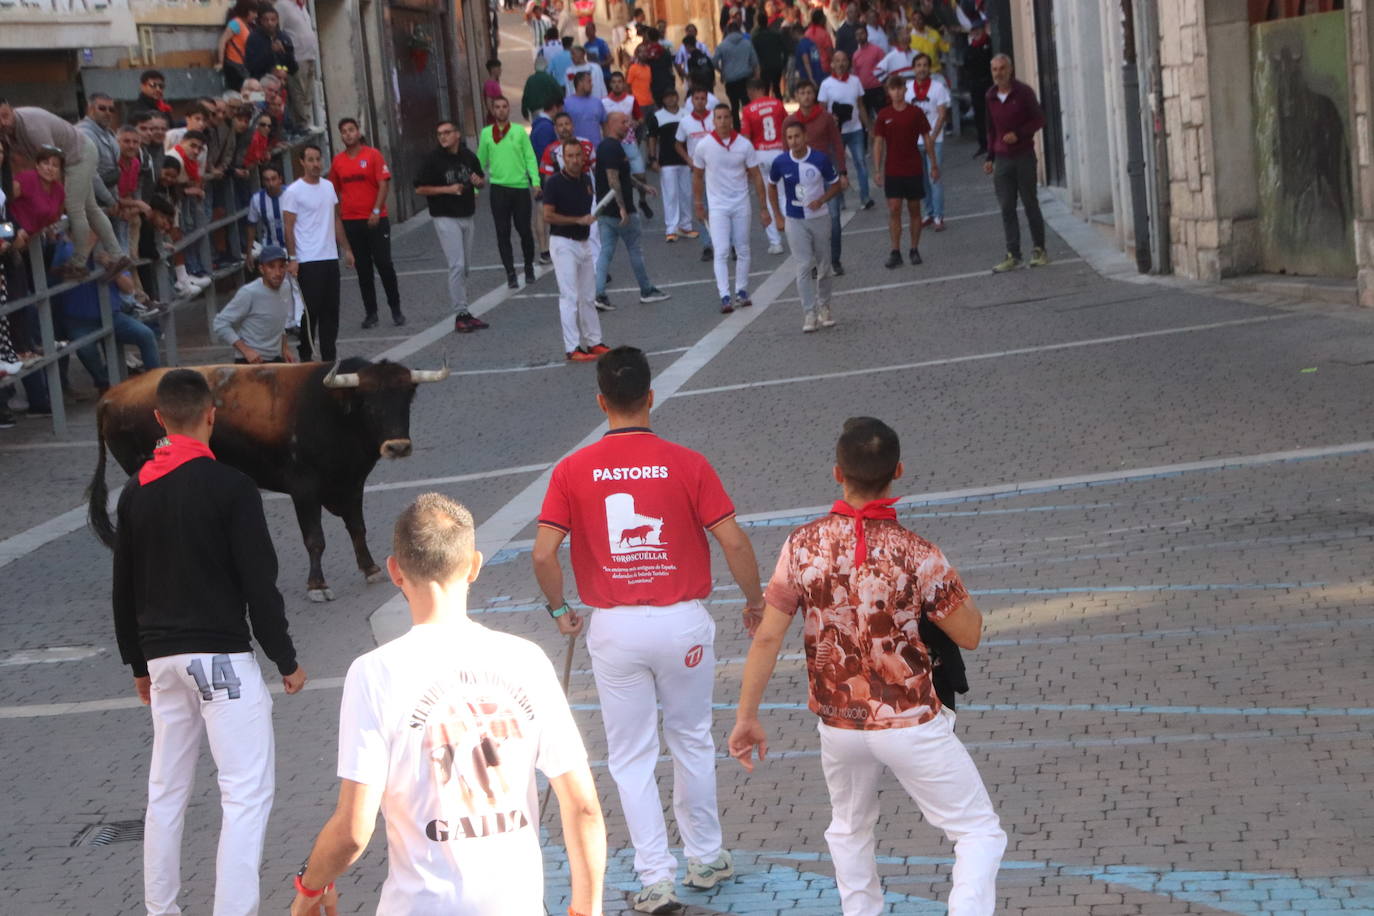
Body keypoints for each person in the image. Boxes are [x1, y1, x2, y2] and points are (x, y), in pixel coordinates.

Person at [728, 416, 1006, 916]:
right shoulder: (918, 553)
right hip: (910, 719)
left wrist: (746, 716)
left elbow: (768, 635)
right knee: (977, 830)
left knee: (849, 827)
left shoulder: (801, 545)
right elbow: (971, 632)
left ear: (839, 473)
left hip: (839, 722)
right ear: (898, 471)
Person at [287, 494, 605, 916]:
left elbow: (352, 831)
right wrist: (586, 908)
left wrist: (310, 887)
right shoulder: (526, 659)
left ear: (396, 571)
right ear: (474, 565)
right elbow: (583, 806)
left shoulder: (374, 672)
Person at [532, 345, 765, 913]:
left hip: (614, 628)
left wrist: (560, 611)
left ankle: (654, 876)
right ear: (650, 398)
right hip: (682, 622)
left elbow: (543, 554)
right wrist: (756, 601)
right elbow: (732, 539)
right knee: (691, 738)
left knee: (630, 755)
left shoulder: (571, 470)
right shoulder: (687, 462)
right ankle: (706, 857)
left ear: (601, 401)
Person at [111, 368, 307, 916]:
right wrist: (285, 658)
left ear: (158, 419)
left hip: (162, 659)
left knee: (165, 793)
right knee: (244, 794)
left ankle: (161, 909)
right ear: (212, 415)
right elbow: (258, 582)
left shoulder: (135, 491)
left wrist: (138, 664)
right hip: (221, 659)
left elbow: (122, 586)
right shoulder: (232, 487)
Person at [0, 100, 127, 279]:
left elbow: (51, 164)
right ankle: (117, 254)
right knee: (90, 208)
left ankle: (79, 263)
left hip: (77, 155)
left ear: (12, 110)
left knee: (75, 208)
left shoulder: (32, 129)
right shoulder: (9, 138)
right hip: (73, 155)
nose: (3, 123)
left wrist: (52, 198)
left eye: (5, 116)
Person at [414, 120, 490, 335]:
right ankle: (460, 314)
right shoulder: (433, 160)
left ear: (457, 134)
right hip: (445, 217)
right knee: (456, 265)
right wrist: (447, 190)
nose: (443, 137)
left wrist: (478, 181)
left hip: (467, 215)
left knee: (465, 267)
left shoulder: (468, 156)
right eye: (439, 134)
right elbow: (420, 188)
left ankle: (465, 311)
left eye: (447, 133)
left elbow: (481, 180)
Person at [693, 104, 770, 314]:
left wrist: (763, 208)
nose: (723, 121)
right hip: (717, 205)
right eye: (719, 117)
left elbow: (756, 175)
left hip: (740, 203)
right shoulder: (704, 145)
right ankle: (725, 295)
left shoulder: (744, 145)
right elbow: (697, 175)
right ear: (713, 120)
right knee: (721, 250)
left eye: (726, 117)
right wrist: (699, 204)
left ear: (732, 120)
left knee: (743, 248)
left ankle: (742, 291)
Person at [767, 121, 843, 333]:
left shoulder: (819, 159)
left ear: (805, 136)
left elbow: (836, 184)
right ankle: (809, 312)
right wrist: (778, 216)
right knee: (802, 265)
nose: (794, 141)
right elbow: (771, 186)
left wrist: (822, 199)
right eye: (789, 137)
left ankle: (825, 306)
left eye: (797, 136)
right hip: (794, 220)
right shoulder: (780, 162)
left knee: (824, 265)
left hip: (819, 218)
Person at [330, 117, 405, 328]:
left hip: (376, 219)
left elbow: (383, 185)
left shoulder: (373, 155)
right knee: (363, 269)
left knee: (384, 263)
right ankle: (371, 312)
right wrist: (338, 216)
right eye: (343, 131)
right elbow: (333, 191)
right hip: (352, 221)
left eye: (351, 130)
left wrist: (375, 210)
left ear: (358, 132)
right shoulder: (338, 162)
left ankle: (395, 308)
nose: (348, 134)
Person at [283, 143, 353, 361]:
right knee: (310, 309)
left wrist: (346, 249)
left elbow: (335, 218)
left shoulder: (328, 187)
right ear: (302, 162)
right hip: (308, 259)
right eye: (310, 160)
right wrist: (293, 258)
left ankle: (329, 356)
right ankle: (306, 352)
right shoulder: (293, 192)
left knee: (330, 310)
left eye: (318, 159)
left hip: (329, 256)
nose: (315, 164)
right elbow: (288, 226)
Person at [594, 112, 670, 311]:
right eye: (623, 122)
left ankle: (599, 294)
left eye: (628, 121)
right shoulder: (612, 148)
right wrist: (622, 208)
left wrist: (642, 187)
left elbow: (623, 176)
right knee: (635, 250)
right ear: (611, 124)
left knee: (606, 253)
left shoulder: (608, 147)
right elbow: (613, 180)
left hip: (606, 212)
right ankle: (646, 290)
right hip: (620, 211)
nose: (628, 125)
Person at [542, 140, 609, 362]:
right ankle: (572, 347)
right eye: (569, 156)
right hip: (563, 243)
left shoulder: (586, 180)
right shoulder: (554, 183)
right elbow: (548, 215)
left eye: (577, 155)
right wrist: (578, 220)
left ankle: (594, 341)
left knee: (588, 295)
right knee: (569, 296)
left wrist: (591, 218)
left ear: (583, 157)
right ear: (563, 157)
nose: (574, 160)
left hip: (583, 242)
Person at [984, 54, 1049, 272]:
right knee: (1006, 207)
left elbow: (1039, 119)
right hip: (1002, 159)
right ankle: (1013, 253)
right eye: (995, 69)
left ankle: (1039, 249)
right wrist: (989, 157)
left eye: (1002, 68)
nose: (999, 73)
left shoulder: (1023, 92)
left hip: (1023, 156)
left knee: (1030, 203)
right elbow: (991, 129)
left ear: (1010, 69)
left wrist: (1020, 134)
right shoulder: (990, 96)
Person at [873, 74, 939, 268]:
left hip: (913, 168)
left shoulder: (916, 112)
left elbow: (927, 138)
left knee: (914, 210)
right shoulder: (884, 115)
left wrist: (933, 164)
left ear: (905, 89)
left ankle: (914, 248)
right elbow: (878, 143)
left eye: (900, 88)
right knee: (894, 209)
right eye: (893, 89)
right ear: (889, 92)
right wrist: (877, 169)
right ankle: (895, 251)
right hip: (893, 169)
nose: (897, 92)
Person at [477, 96, 541, 289]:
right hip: (498, 189)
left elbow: (530, 157)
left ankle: (528, 266)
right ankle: (510, 273)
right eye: (497, 107)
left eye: (505, 106)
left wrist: (535, 182)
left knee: (524, 231)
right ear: (493, 111)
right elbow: (479, 162)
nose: (501, 110)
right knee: (502, 232)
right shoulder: (487, 133)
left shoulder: (519, 132)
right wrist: (475, 186)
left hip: (520, 187)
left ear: (508, 110)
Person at [784, 82, 848, 275]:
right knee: (806, 220)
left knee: (834, 218)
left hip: (826, 173)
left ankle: (834, 260)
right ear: (796, 96)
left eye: (809, 92)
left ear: (815, 95)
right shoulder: (790, 122)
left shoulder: (826, 118)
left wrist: (843, 172)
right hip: (801, 178)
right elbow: (785, 151)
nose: (806, 96)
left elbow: (837, 143)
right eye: (802, 92)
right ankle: (815, 262)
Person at [213, 244, 296, 363]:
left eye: (281, 267)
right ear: (261, 269)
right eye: (271, 267)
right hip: (251, 360)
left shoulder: (286, 287)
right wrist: (246, 351)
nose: (277, 273)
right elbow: (220, 323)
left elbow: (280, 322)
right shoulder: (249, 293)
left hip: (275, 357)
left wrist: (285, 348)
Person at [739, 78, 787, 255]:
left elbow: (745, 137)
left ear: (753, 90)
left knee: (767, 197)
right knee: (783, 195)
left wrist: (745, 162)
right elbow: (786, 126)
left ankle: (775, 242)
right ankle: (792, 232)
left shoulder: (748, 110)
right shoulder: (777, 104)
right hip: (779, 151)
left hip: (760, 154)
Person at [820, 50, 873, 210]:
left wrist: (868, 127)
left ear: (848, 63)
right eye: (837, 60)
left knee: (861, 163)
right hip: (836, 133)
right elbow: (822, 111)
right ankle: (840, 200)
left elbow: (861, 105)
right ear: (832, 64)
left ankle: (865, 197)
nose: (841, 64)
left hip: (855, 129)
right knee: (837, 167)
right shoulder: (826, 84)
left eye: (844, 60)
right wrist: (830, 121)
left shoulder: (855, 81)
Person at [906, 53, 950, 231]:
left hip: (934, 140)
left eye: (925, 65)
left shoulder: (938, 87)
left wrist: (932, 136)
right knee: (922, 179)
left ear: (929, 68)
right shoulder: (908, 89)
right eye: (918, 65)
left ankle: (939, 215)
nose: (922, 68)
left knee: (934, 178)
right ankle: (929, 212)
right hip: (914, 141)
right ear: (913, 68)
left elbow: (942, 114)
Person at [672, 87, 717, 261]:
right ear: (691, 101)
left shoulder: (715, 117)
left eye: (702, 98)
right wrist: (689, 160)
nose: (699, 101)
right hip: (698, 171)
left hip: (717, 169)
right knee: (701, 206)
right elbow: (677, 144)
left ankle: (730, 243)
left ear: (707, 100)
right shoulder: (685, 122)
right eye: (696, 98)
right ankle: (707, 245)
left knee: (720, 206)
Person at [276, 0, 320, 129]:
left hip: (309, 56)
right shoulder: (282, 5)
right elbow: (278, 30)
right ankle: (303, 124)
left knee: (308, 93)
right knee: (298, 92)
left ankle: (307, 121)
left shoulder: (302, 7)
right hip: (297, 57)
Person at [714, 21, 760, 122]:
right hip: (745, 78)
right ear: (739, 31)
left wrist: (722, 71)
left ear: (728, 31)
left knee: (734, 106)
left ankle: (737, 128)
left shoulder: (722, 45)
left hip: (731, 80)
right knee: (747, 104)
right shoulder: (747, 43)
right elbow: (755, 62)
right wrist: (756, 77)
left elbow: (714, 62)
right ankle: (750, 124)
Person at [246, 162, 288, 267]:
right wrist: (249, 252)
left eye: (273, 179)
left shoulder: (291, 195)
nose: (271, 183)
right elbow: (251, 225)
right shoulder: (257, 199)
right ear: (263, 181)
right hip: (271, 248)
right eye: (267, 180)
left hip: (295, 248)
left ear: (280, 179)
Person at [244, 4, 299, 82]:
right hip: (261, 82)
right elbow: (251, 66)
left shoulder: (284, 37)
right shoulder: (254, 38)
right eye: (266, 20)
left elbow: (293, 68)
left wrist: (285, 52)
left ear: (277, 21)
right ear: (261, 21)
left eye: (273, 20)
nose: (269, 23)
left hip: (282, 83)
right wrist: (270, 51)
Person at [963, 17, 993, 158]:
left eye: (978, 29)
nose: (975, 32)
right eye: (973, 30)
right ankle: (983, 144)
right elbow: (967, 66)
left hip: (988, 83)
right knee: (979, 115)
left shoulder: (990, 44)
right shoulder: (970, 48)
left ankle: (993, 144)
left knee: (992, 114)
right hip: (976, 86)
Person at [215, 0, 259, 90]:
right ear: (245, 10)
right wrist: (220, 62)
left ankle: (245, 102)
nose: (256, 16)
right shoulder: (236, 23)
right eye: (253, 12)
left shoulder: (247, 25)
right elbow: (222, 41)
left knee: (255, 94)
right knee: (252, 91)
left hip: (243, 67)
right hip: (234, 67)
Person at [852, 25, 887, 117]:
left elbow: (885, 69)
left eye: (862, 33)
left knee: (882, 116)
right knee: (866, 117)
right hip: (864, 91)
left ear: (867, 34)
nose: (860, 36)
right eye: (857, 35)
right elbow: (855, 74)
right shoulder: (855, 55)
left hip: (877, 89)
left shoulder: (877, 50)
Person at [564, 70, 607, 144]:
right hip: (575, 150)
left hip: (596, 149)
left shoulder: (597, 102)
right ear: (580, 83)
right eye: (589, 81)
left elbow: (605, 125)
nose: (592, 84)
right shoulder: (566, 103)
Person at [751, 19, 788, 100]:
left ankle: (767, 107)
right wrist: (783, 63)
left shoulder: (756, 37)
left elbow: (754, 54)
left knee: (766, 89)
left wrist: (756, 67)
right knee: (776, 88)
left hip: (765, 66)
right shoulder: (776, 35)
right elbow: (784, 50)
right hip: (776, 65)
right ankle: (779, 107)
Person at [483, 58, 505, 125]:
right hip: (494, 119)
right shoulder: (489, 84)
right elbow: (488, 101)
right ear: (492, 69)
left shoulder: (495, 83)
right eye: (498, 68)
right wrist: (494, 115)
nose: (500, 70)